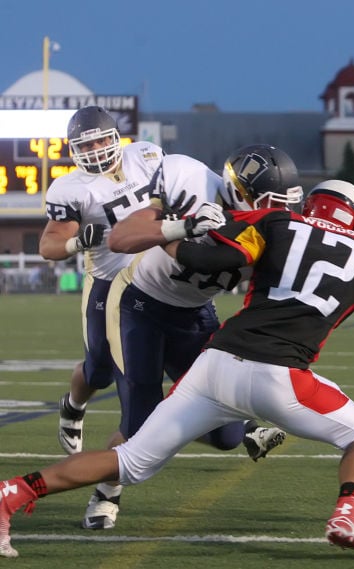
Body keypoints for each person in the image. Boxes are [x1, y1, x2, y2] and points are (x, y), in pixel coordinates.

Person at [0, 180, 354, 560]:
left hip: (213, 364)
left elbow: (203, 259)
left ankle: (12, 495)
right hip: (280, 377)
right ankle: (348, 513)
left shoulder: (274, 225)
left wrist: (176, 230)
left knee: (130, 459)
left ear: (311, 208)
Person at [74, 146, 290, 530]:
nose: (276, 211)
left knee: (225, 435)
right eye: (267, 201)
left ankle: (215, 427)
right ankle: (106, 492)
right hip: (137, 305)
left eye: (284, 204)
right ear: (239, 188)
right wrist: (181, 227)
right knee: (140, 425)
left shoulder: (275, 231)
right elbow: (121, 238)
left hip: (194, 313)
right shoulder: (188, 180)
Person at [39, 106, 173, 456]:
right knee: (98, 368)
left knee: (177, 353)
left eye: (100, 140)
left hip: (155, 276)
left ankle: (229, 421)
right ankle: (73, 406)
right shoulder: (69, 188)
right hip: (108, 280)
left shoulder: (146, 155)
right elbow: (48, 244)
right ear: (73, 150)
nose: (95, 150)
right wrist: (76, 241)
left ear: (116, 138)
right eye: (85, 146)